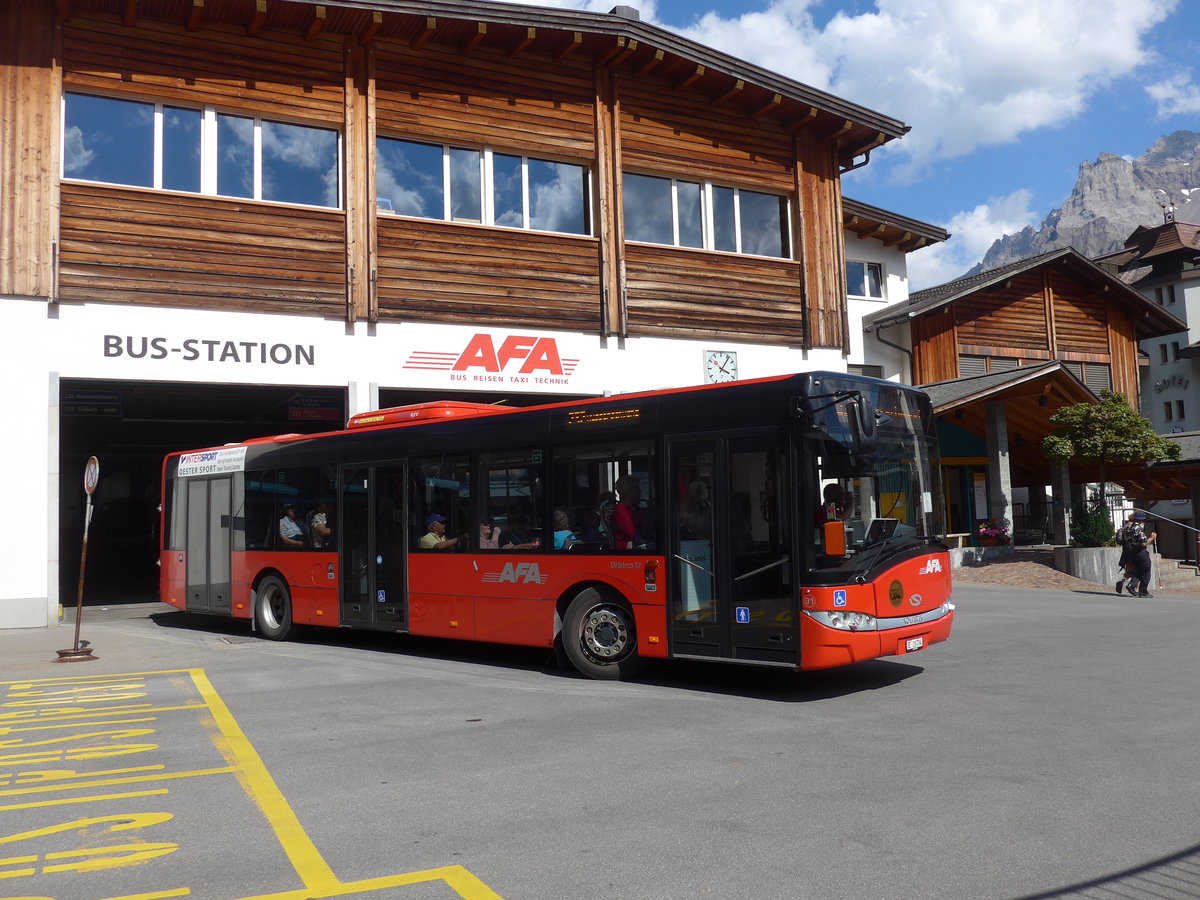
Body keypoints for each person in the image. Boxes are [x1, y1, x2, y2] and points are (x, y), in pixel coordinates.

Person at [1124, 511, 1157, 598]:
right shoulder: (1138, 528)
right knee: (1146, 572)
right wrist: (1152, 538)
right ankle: (1143, 592)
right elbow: (1144, 543)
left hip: (1133, 552)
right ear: (1142, 520)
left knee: (1139, 571)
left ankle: (1132, 585)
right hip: (1141, 553)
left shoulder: (1129, 527)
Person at [612, 475, 641, 550]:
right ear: (629, 490)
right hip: (626, 547)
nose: (640, 490)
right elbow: (631, 534)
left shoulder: (634, 508)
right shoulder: (621, 509)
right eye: (636, 487)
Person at [1114, 512, 1136, 594]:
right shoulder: (1134, 527)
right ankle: (1132, 587)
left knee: (1129, 571)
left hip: (1125, 552)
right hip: (1133, 553)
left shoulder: (1125, 526)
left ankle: (1122, 582)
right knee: (1138, 570)